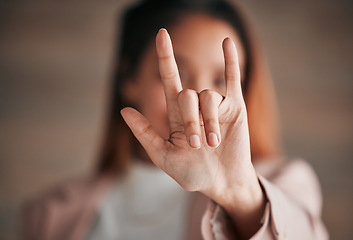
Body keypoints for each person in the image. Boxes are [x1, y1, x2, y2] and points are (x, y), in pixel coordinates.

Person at [21, 0, 329, 239]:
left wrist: (239, 193)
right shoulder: (50, 215)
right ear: (128, 79)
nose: (196, 98)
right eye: (177, 74)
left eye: (222, 78)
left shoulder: (284, 187)